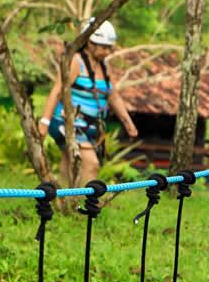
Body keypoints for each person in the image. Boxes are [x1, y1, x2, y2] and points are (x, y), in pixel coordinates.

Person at [39, 18, 138, 187]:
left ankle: (62, 198)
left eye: (109, 47)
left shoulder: (104, 66)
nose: (107, 52)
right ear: (90, 44)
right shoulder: (76, 62)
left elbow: (113, 96)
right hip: (66, 121)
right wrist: (44, 122)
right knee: (91, 164)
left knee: (69, 162)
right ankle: (89, 200)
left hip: (89, 125)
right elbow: (57, 90)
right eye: (103, 47)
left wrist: (128, 123)